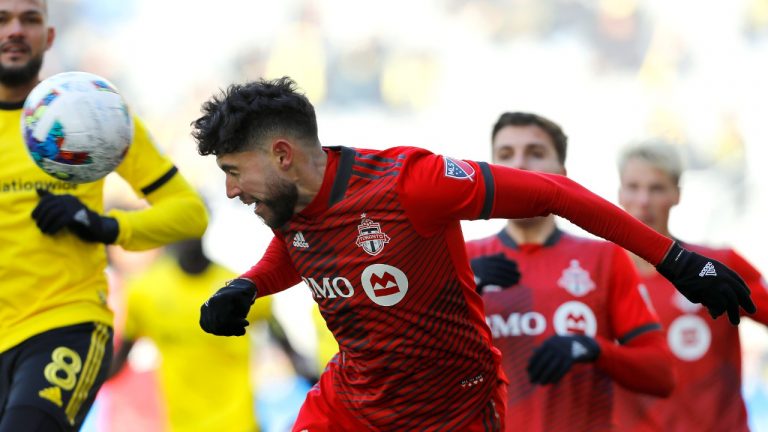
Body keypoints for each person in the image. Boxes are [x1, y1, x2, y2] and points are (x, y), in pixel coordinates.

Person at [190, 76, 754, 432]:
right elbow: (303, 247)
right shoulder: (294, 207)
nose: (232, 191)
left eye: (234, 172)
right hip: (352, 402)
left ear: (283, 155)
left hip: (448, 412)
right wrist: (249, 285)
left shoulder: (412, 184)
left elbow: (555, 193)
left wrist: (674, 259)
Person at [0, 1, 208, 430]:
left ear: (49, 37)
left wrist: (104, 226)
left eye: (30, 19)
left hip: (62, 323)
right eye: (2, 20)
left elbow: (188, 214)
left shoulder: (92, 111)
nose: (15, 30)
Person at [464, 112, 675, 431]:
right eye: (505, 155)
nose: (519, 165)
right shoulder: (462, 259)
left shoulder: (603, 258)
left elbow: (661, 375)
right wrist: (453, 293)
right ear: (490, 172)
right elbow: (413, 370)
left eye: (535, 153)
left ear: (562, 175)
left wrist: (593, 349)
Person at [613, 141, 768, 431]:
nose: (643, 200)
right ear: (620, 194)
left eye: (657, 188)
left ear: (676, 195)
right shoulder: (593, 273)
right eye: (633, 187)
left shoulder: (718, 265)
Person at [108, 237, 312, 432]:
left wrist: (312, 374)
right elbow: (117, 361)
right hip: (184, 426)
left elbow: (276, 330)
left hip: (239, 424)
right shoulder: (145, 293)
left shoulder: (237, 288)